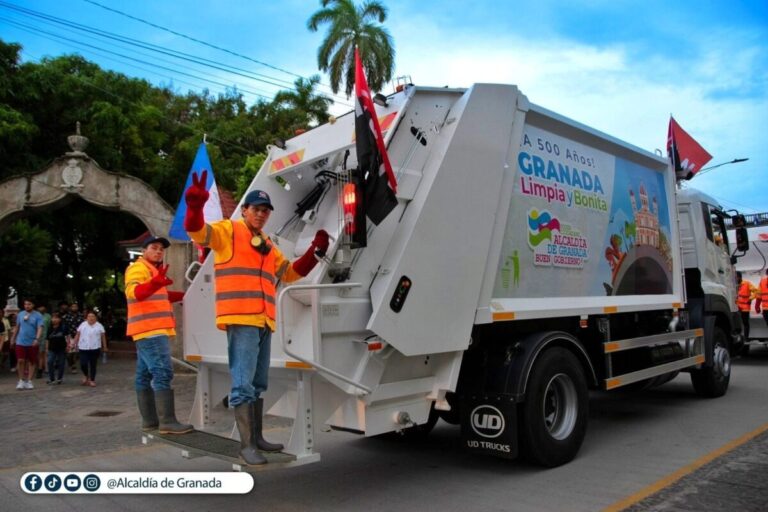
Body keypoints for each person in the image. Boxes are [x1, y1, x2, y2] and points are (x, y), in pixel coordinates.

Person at [184, 171, 329, 465]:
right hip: (241, 318)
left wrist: (315, 252)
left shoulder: (265, 243)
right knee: (243, 383)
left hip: (264, 321)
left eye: (265, 211)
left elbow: (289, 273)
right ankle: (246, 446)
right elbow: (198, 232)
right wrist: (196, 207)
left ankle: (257, 438)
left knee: (259, 381)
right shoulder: (229, 231)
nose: (261, 215)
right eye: (256, 210)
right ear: (246, 210)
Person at [124, 235, 192, 434]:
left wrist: (184, 295)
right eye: (154, 248)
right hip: (150, 330)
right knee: (162, 372)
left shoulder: (152, 271)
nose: (158, 251)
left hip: (146, 330)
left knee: (144, 375)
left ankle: (150, 421)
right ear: (143, 251)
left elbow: (160, 297)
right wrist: (156, 283)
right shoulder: (138, 268)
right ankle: (167, 422)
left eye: (161, 249)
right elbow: (135, 293)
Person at [10, 299, 43, 390]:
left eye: (29, 304)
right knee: (20, 360)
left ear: (33, 305)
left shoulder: (38, 315)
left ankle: (29, 381)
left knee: (32, 361)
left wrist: (37, 338)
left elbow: (40, 328)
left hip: (32, 342)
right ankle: (21, 380)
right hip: (20, 341)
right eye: (25, 304)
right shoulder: (20, 314)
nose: (27, 306)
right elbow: (17, 327)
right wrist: (13, 338)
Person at [73, 311, 107, 387]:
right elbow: (78, 334)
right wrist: (74, 343)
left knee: (93, 365)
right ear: (86, 317)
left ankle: (92, 380)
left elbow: (103, 336)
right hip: (83, 347)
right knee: (83, 363)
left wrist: (105, 346)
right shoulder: (83, 324)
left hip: (95, 348)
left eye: (93, 316)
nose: (91, 318)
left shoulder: (99, 326)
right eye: (89, 316)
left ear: (96, 317)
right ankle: (86, 375)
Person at [46, 312, 67, 384]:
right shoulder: (49, 328)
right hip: (51, 348)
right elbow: (47, 339)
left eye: (56, 318)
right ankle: (52, 378)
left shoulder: (63, 327)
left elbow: (67, 337)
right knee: (49, 362)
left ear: (60, 319)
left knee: (61, 363)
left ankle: (59, 378)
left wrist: (68, 346)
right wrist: (46, 348)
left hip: (62, 348)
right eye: (53, 318)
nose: (54, 320)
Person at [736, 272, 757, 341]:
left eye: (736, 277)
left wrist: (750, 299)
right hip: (737, 307)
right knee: (737, 323)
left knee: (745, 323)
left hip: (745, 307)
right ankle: (738, 338)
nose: (735, 279)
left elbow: (756, 292)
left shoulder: (747, 283)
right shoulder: (734, 284)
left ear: (740, 277)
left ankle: (746, 338)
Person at [64, 302, 84, 373]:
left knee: (76, 352)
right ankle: (71, 363)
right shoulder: (66, 316)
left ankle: (74, 365)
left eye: (75, 306)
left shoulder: (81, 316)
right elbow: (64, 326)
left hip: (79, 336)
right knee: (70, 353)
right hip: (69, 336)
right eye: (73, 306)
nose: (74, 308)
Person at [36, 304, 52, 379]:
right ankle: (39, 367)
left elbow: (50, 326)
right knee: (39, 353)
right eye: (40, 306)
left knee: (44, 352)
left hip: (45, 336)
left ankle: (44, 368)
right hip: (35, 336)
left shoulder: (48, 316)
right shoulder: (35, 315)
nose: (41, 308)